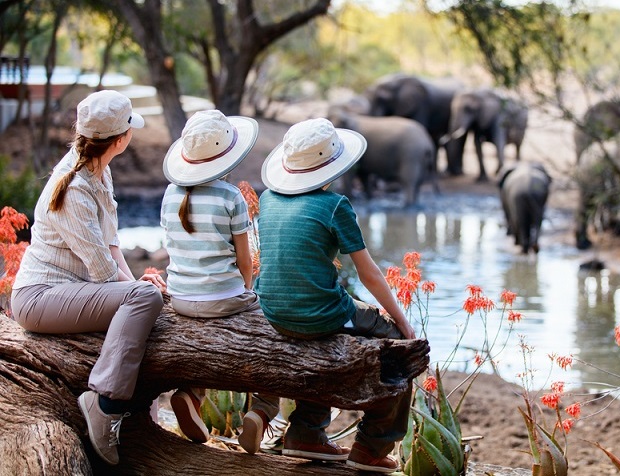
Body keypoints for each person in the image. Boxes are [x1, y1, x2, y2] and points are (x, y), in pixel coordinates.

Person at [9, 90, 166, 466]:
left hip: (69, 291)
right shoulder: (75, 187)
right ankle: (104, 403)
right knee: (146, 300)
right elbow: (101, 271)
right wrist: (138, 293)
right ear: (121, 139)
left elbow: (111, 246)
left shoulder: (98, 170)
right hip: (39, 298)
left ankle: (137, 416)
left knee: (145, 296)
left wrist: (138, 283)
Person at [256, 117, 417, 473]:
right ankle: (372, 445)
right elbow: (369, 272)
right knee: (400, 352)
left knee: (323, 334)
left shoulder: (268, 198)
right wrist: (403, 323)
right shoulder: (334, 205)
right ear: (331, 165)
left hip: (272, 311)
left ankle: (306, 432)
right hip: (320, 314)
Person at [159, 109, 274, 446]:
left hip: (180, 298)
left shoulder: (170, 193)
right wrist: (248, 292)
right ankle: (263, 409)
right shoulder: (230, 197)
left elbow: (173, 246)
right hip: (224, 298)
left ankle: (192, 393)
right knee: (270, 337)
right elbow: (243, 260)